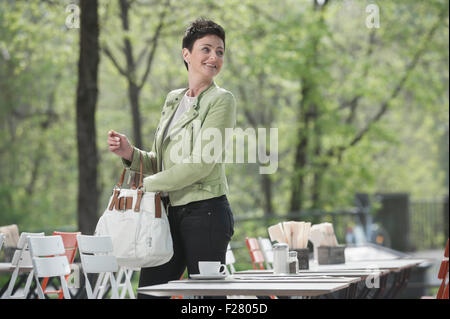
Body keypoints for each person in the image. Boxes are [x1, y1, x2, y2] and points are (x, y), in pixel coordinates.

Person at [107, 18, 236, 299]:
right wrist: (130, 154)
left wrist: (148, 185)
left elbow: (201, 164)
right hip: (166, 215)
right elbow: (163, 163)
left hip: (207, 214)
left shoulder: (222, 101)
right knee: (150, 294)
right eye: (206, 49)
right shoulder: (173, 100)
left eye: (220, 51)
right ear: (186, 54)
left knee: (208, 301)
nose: (214, 57)